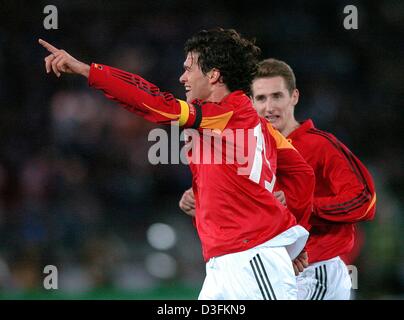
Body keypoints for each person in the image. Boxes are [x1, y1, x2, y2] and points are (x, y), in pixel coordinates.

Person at [39, 29, 315, 300]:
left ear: (214, 75)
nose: (182, 77)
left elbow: (157, 105)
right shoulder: (257, 126)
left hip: (253, 260)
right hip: (227, 262)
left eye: (188, 69)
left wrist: (89, 71)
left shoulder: (223, 114)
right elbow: (302, 173)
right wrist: (207, 194)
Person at [180, 58, 377, 300]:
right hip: (263, 268)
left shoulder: (320, 145)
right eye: (261, 98)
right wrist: (202, 204)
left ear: (294, 97)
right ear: (249, 101)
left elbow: (364, 200)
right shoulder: (247, 148)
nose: (269, 107)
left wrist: (304, 204)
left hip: (314, 271)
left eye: (277, 96)